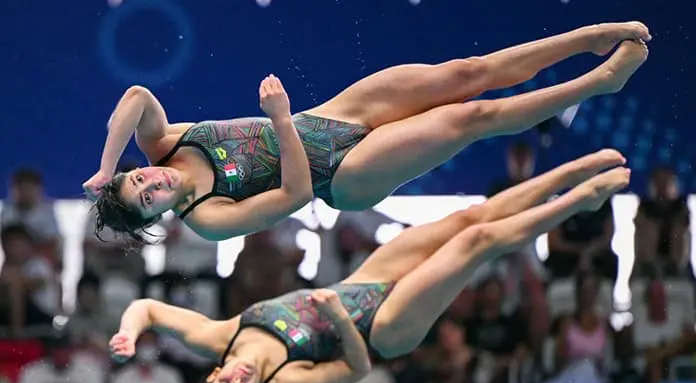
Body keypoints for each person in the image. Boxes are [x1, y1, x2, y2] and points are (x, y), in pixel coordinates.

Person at [109, 150, 630, 383]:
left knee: (468, 219)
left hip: (360, 284)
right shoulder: (286, 381)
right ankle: (580, 199)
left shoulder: (220, 337)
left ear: (216, 374)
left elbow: (148, 308)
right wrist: (339, 318)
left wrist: (128, 334)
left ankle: (572, 170)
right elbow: (357, 370)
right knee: (476, 244)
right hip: (382, 328)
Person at [84, 23, 650, 242]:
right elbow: (295, 196)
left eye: (139, 180)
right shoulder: (206, 218)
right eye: (148, 198)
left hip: (332, 115)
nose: (154, 183)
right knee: (469, 119)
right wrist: (279, 120)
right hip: (341, 177)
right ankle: (598, 83)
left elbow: (136, 97)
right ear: (159, 216)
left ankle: (590, 39)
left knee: (466, 73)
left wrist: (107, 169)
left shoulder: (163, 144)